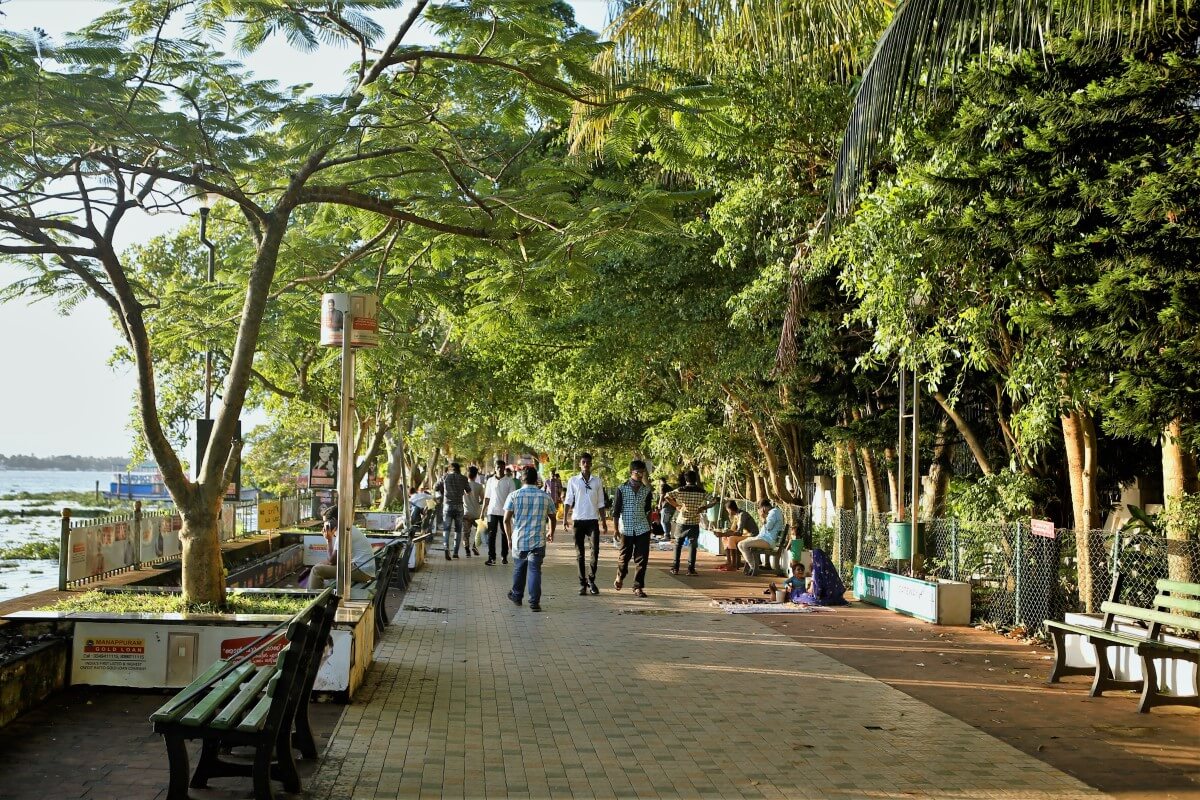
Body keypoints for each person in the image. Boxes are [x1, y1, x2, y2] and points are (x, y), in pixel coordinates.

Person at [504, 466, 556, 612]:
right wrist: (551, 532)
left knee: (519, 568)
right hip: (538, 540)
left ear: (522, 479)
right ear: (536, 480)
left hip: (519, 540)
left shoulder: (514, 496)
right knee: (535, 570)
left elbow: (506, 520)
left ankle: (517, 596)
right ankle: (534, 602)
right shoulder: (545, 496)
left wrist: (509, 538)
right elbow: (553, 517)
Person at [564, 452, 608, 596]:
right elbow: (568, 500)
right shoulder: (573, 480)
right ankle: (582, 583)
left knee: (595, 551)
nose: (586, 464)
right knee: (580, 554)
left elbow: (601, 502)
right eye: (583, 462)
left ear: (591, 464)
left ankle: (591, 580)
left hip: (593, 521)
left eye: (588, 462)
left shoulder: (597, 481)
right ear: (580, 464)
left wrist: (604, 521)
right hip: (578, 520)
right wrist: (565, 518)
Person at [611, 460, 653, 597]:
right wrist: (615, 529)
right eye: (638, 472)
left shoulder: (646, 491)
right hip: (626, 529)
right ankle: (620, 576)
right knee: (624, 557)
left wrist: (649, 527)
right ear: (631, 473)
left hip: (642, 528)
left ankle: (638, 586)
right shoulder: (621, 489)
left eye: (642, 472)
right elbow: (616, 511)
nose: (640, 475)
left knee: (642, 558)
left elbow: (648, 511)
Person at [665, 470, 717, 576]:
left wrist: (677, 506)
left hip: (681, 521)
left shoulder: (680, 490)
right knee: (693, 546)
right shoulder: (701, 492)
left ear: (686, 479)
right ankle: (691, 569)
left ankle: (675, 568)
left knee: (678, 544)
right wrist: (703, 507)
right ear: (696, 479)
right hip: (694, 521)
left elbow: (666, 496)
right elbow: (714, 500)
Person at [311, 506, 376, 590]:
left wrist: (329, 540)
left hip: (362, 572)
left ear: (333, 520)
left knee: (316, 570)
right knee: (320, 565)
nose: (324, 525)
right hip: (362, 569)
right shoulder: (346, 528)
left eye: (325, 522)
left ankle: (312, 598)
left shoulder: (343, 531)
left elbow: (332, 561)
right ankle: (318, 596)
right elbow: (335, 561)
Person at [737, 499, 784, 577]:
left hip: (768, 541)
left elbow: (769, 527)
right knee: (740, 544)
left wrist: (762, 517)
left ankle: (753, 567)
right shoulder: (773, 512)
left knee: (743, 545)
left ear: (763, 508)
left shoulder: (773, 513)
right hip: (764, 538)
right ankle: (753, 566)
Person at [482, 460, 515, 565]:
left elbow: (513, 498)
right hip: (492, 511)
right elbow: (487, 497)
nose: (500, 469)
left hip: (505, 511)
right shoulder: (490, 481)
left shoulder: (509, 481)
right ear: (495, 469)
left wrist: (513, 512)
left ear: (504, 468)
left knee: (505, 534)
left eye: (502, 467)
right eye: (498, 467)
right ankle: (491, 557)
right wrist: (482, 511)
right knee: (491, 534)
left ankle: (504, 556)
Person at [440, 462, 471, 560]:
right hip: (459, 506)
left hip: (447, 505)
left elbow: (436, 487)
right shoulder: (464, 478)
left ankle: (446, 548)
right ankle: (455, 553)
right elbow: (469, 491)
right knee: (458, 530)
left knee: (446, 529)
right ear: (459, 469)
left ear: (451, 469)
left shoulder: (445, 477)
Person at [717, 500, 758, 571]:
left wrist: (724, 534)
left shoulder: (742, 515)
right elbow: (732, 530)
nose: (728, 512)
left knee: (732, 539)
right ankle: (729, 562)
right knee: (724, 538)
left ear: (730, 509)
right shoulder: (736, 515)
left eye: (727, 510)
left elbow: (739, 532)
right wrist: (723, 534)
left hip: (752, 535)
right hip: (745, 535)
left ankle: (734, 564)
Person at [464, 465, 484, 556]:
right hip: (477, 513)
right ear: (476, 475)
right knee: (480, 530)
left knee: (466, 533)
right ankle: (475, 546)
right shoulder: (479, 486)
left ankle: (467, 550)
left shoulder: (463, 486)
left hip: (466, 513)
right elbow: (483, 499)